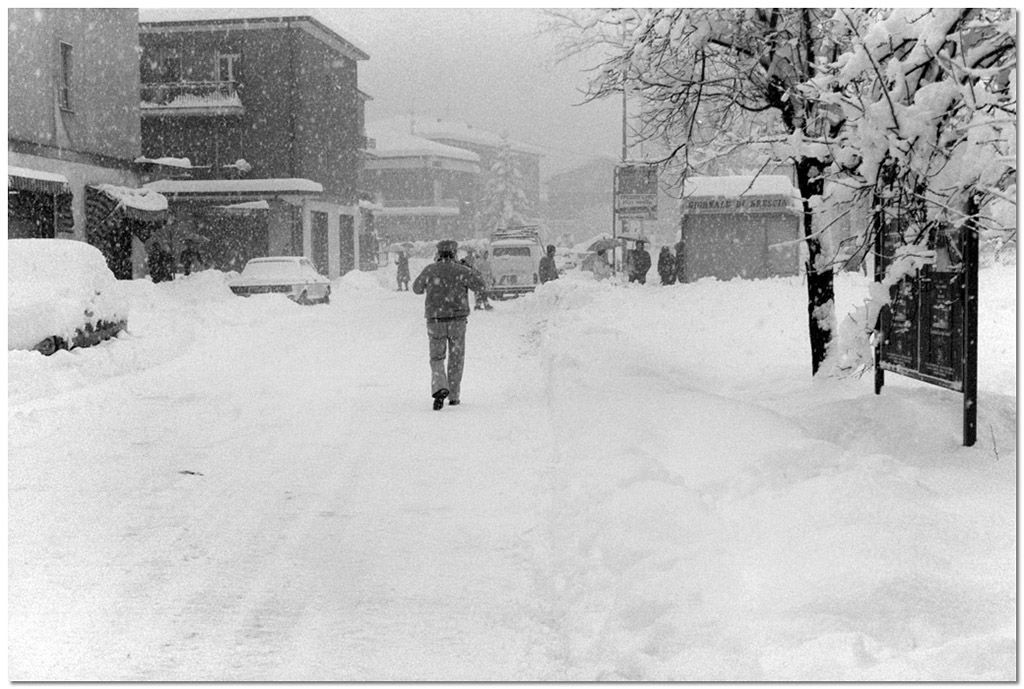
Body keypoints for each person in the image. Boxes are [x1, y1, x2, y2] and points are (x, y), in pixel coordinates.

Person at [412, 239, 487, 410]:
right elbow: (481, 286)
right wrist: (470, 268)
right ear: (455, 253)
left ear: (438, 253)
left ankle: (439, 386)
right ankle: (454, 395)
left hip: (435, 320)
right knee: (456, 358)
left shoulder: (430, 270)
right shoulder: (462, 270)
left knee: (436, 357)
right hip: (457, 321)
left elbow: (416, 288)